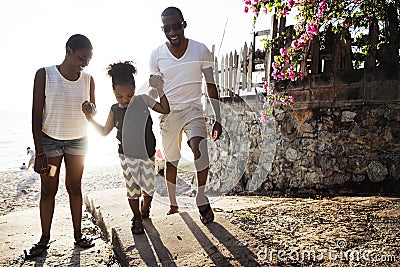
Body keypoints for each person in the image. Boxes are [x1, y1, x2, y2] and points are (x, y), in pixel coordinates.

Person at [149, 6, 222, 224]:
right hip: (169, 113)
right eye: (167, 28)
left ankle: (201, 195)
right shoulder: (156, 55)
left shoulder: (200, 50)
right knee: (172, 162)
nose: (172, 32)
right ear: (163, 29)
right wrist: (154, 87)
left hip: (193, 109)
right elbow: (155, 91)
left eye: (176, 26)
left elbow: (211, 86)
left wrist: (218, 118)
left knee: (200, 148)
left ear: (184, 24)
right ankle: (173, 203)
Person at [27, 34, 96, 259]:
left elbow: (92, 113)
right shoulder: (44, 74)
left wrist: (91, 110)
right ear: (68, 51)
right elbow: (36, 115)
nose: (84, 64)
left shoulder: (88, 80)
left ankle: (78, 235)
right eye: (81, 58)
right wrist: (39, 152)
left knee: (75, 188)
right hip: (50, 143)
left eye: (88, 60)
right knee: (49, 190)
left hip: (78, 141)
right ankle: (44, 239)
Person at [83, 61, 169, 234]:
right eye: (119, 97)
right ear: (114, 93)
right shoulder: (115, 109)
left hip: (148, 154)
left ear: (135, 89)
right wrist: (89, 118)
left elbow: (165, 109)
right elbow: (104, 132)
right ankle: (136, 217)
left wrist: (160, 89)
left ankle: (145, 209)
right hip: (126, 156)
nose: (125, 100)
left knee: (148, 187)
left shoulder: (143, 100)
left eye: (129, 95)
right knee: (132, 189)